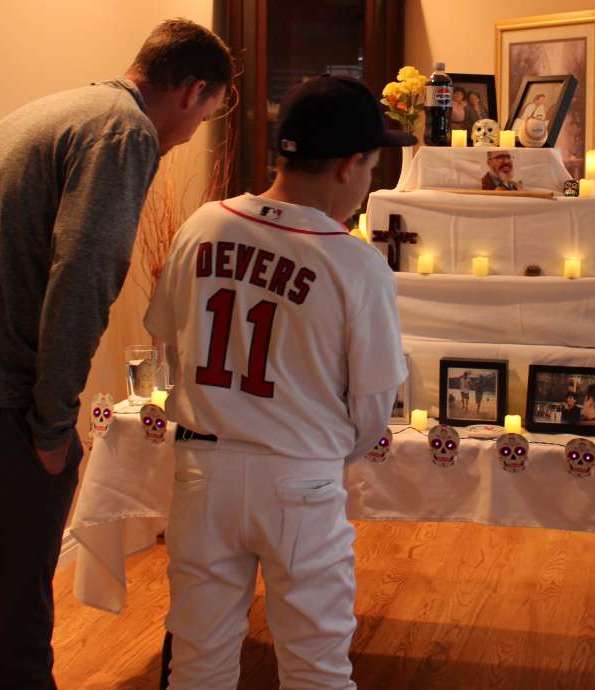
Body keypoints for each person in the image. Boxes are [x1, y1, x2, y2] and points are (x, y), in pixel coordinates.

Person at [0, 19, 232, 690]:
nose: (191, 135)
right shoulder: (125, 133)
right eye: (205, 115)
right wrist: (52, 427)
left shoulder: (54, 110)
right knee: (12, 641)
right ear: (191, 92)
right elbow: (84, 276)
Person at [144, 74, 411, 689]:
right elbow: (372, 407)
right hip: (300, 475)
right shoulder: (353, 261)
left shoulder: (203, 226)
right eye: (373, 166)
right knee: (315, 667)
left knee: (197, 661)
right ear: (350, 166)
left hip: (201, 470)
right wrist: (322, 450)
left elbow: (166, 339)